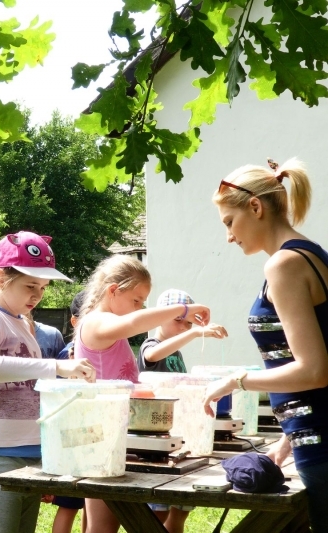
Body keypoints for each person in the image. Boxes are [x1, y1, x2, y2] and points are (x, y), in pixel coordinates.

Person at [204, 158, 328, 531]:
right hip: (309, 440)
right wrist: (288, 442)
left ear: (255, 207)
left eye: (229, 222)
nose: (228, 236)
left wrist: (236, 380)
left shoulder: (284, 265)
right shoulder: (312, 254)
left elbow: (314, 370)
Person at [0, 231, 96, 533]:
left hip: (30, 453)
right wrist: (57, 368)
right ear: (0, 277)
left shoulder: (23, 323)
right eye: (29, 286)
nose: (37, 295)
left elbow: (32, 384)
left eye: (42, 287)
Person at [73, 254, 211, 533]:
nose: (139, 308)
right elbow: (135, 323)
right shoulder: (96, 323)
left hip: (116, 437)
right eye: (136, 300)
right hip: (100, 438)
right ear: (113, 291)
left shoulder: (109, 327)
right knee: (102, 528)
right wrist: (183, 310)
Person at [140, 289, 227, 533]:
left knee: (181, 510)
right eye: (177, 319)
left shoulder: (176, 353)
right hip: (158, 440)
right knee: (158, 510)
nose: (183, 326)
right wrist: (196, 332)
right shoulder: (152, 345)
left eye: (187, 322)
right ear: (159, 317)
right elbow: (152, 355)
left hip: (181, 437)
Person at [37, 290, 87, 533]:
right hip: (70, 439)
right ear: (75, 322)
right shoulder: (66, 355)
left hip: (94, 435)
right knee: (68, 506)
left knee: (92, 504)